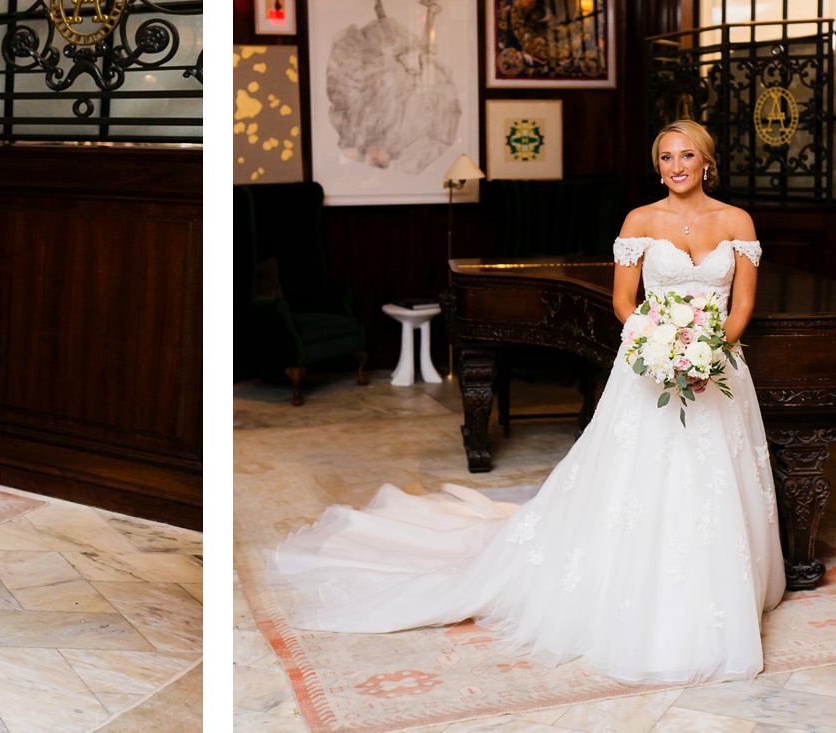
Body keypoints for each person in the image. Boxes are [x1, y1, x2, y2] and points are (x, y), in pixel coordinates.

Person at [273, 119, 782, 684]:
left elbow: (741, 305)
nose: (677, 166)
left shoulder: (737, 222)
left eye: (687, 155)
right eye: (666, 157)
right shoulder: (640, 220)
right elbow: (623, 302)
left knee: (713, 475)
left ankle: (716, 589)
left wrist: (705, 355)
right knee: (643, 476)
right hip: (651, 363)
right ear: (656, 166)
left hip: (718, 366)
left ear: (707, 161)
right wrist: (664, 348)